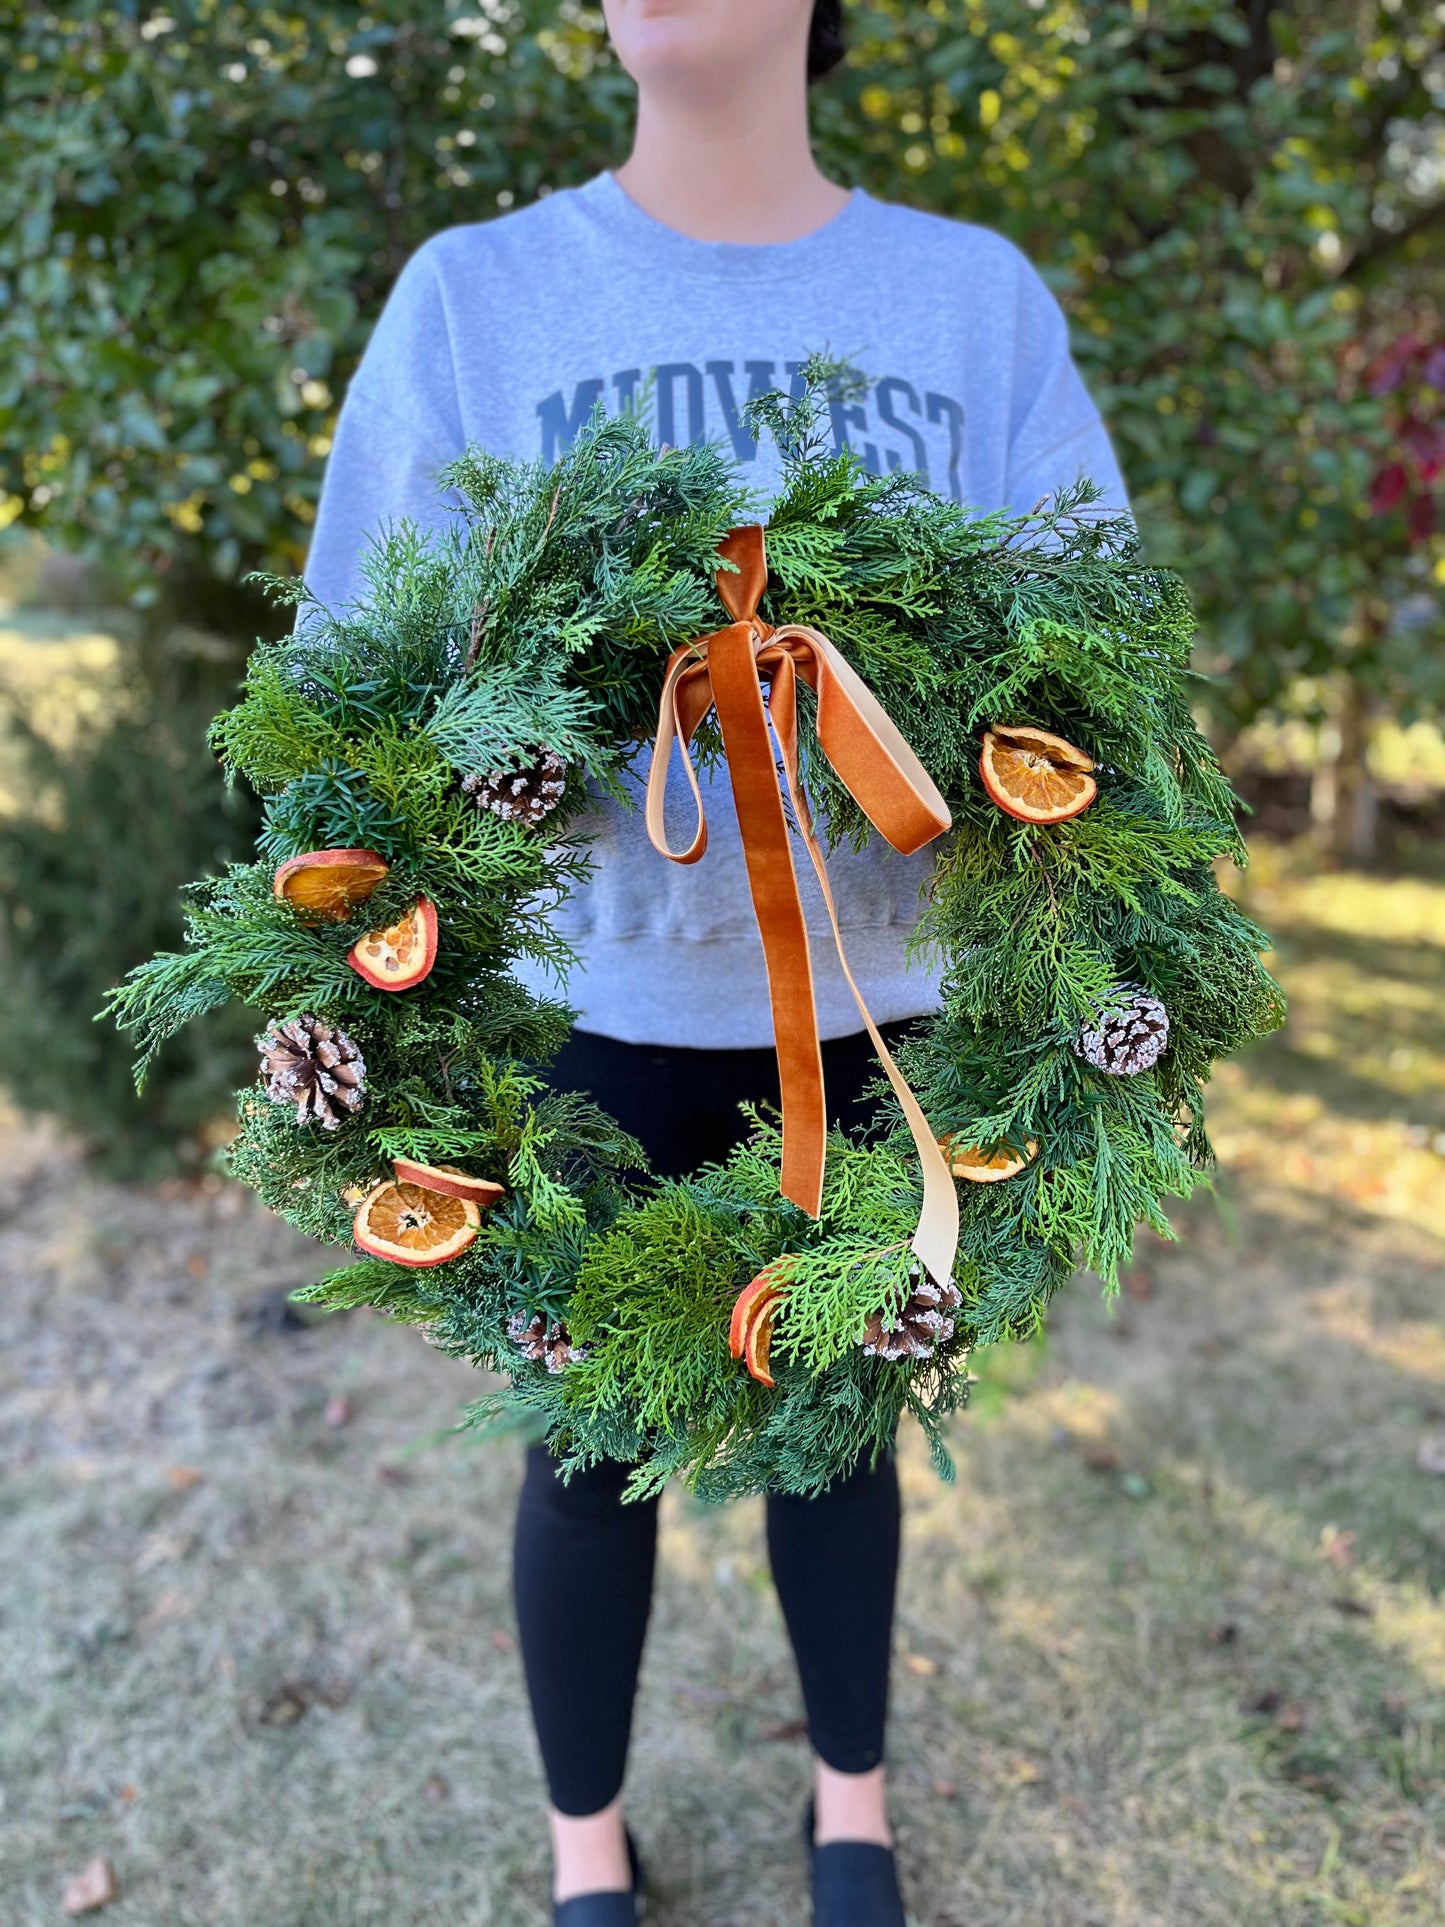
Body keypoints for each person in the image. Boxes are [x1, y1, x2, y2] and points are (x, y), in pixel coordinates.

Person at [303, 3, 1128, 1920]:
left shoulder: (968, 300)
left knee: (839, 1428)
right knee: (580, 1445)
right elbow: (354, 671)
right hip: (580, 1011)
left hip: (878, 1013)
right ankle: (585, 1845)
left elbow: (1101, 656)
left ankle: (854, 1803)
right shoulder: (476, 298)